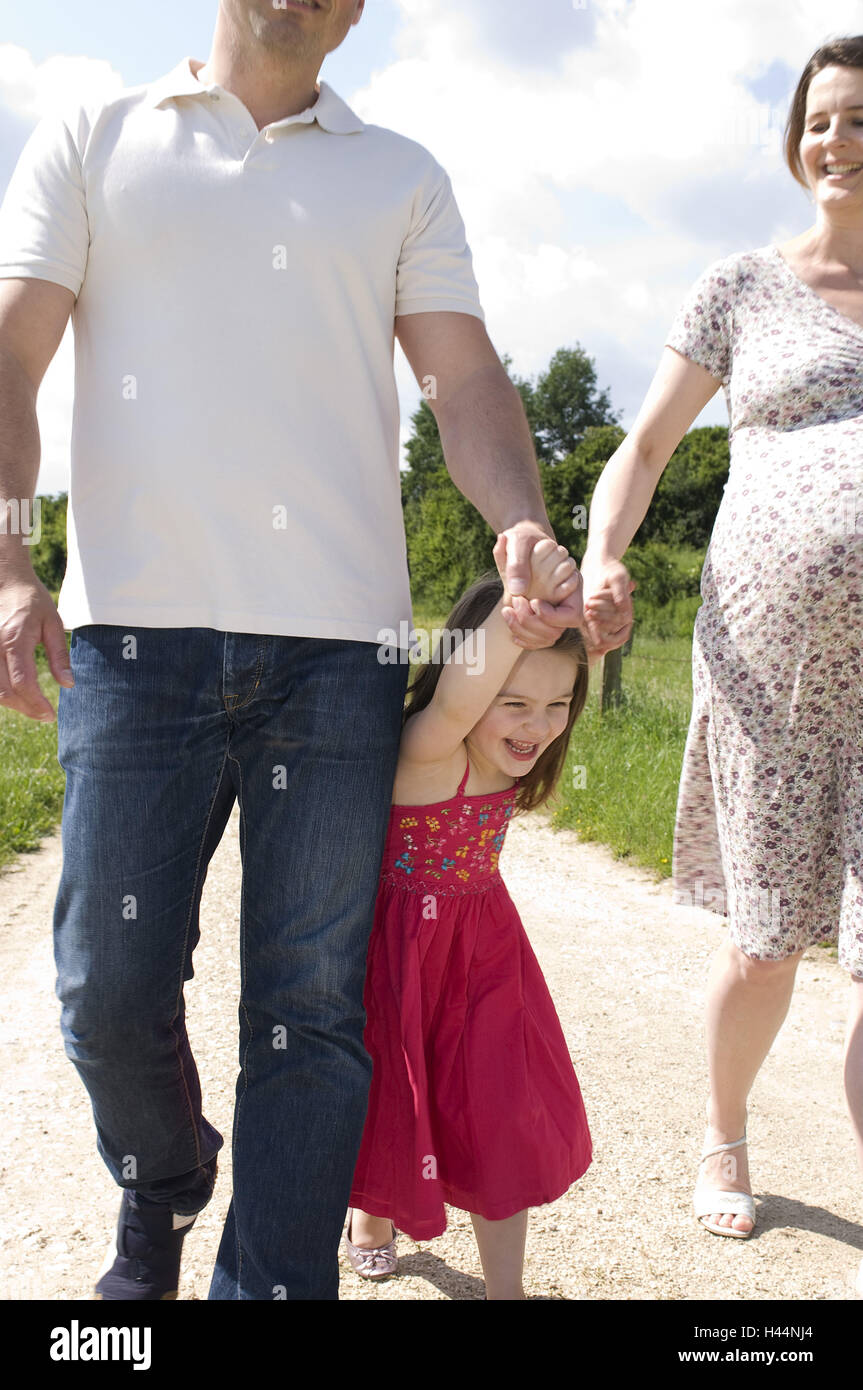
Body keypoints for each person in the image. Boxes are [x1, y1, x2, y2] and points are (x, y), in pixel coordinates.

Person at [0, 0, 598, 1301]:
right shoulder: (91, 137)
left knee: (310, 1006)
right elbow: (13, 355)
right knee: (106, 978)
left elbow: (464, 378)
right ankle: (162, 1179)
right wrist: (6, 555)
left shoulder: (398, 176)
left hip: (333, 659)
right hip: (134, 649)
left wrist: (521, 527)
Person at [568, 37, 863, 1287]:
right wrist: (598, 557)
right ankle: (723, 1140)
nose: (835, 142)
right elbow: (640, 446)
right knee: (763, 943)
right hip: (771, 669)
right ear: (794, 141)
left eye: (856, 119)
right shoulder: (740, 284)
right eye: (818, 121)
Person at [342, 538, 593, 1300]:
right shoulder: (430, 750)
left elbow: (542, 692)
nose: (537, 725)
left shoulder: (505, 761)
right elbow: (456, 697)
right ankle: (371, 1219)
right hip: (400, 953)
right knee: (389, 1091)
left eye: (557, 705)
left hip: (484, 950)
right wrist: (530, 602)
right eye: (513, 702)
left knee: (499, 1107)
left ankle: (504, 1290)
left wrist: (584, 605)